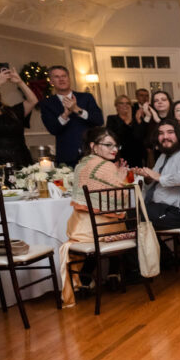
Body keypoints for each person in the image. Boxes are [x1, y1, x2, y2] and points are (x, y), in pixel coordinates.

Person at [57, 126, 132, 306]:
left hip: (80, 230)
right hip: (105, 232)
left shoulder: (81, 164)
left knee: (107, 225)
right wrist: (122, 179)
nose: (114, 149)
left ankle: (84, 278)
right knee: (120, 220)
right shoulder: (106, 166)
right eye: (108, 145)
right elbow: (122, 197)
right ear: (93, 146)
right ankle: (115, 273)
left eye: (116, 146)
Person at [135, 119, 180, 230]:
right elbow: (154, 180)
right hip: (160, 207)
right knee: (132, 212)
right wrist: (148, 178)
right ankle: (161, 248)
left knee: (133, 217)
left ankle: (159, 248)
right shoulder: (164, 155)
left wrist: (158, 177)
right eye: (161, 133)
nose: (165, 137)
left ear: (179, 134)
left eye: (170, 132)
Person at [38, 65, 102, 166]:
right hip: (67, 155)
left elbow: (99, 120)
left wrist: (77, 109)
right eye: (57, 77)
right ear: (51, 82)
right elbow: (53, 129)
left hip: (91, 152)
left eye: (64, 76)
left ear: (69, 79)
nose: (61, 79)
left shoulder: (86, 97)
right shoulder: (47, 103)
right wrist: (65, 114)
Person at [0, 65, 37, 168]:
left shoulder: (12, 112)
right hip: (0, 165)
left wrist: (20, 82)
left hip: (22, 159)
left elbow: (33, 101)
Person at [105, 95, 146, 168]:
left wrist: (138, 121)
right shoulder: (112, 119)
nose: (125, 105)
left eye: (127, 103)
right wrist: (127, 121)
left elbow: (139, 137)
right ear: (116, 106)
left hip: (136, 155)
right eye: (121, 103)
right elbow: (114, 137)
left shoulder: (136, 118)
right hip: (119, 155)